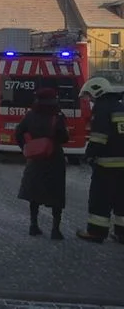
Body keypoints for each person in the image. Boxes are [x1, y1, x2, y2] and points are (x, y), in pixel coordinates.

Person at [14, 87, 69, 240]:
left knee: (34, 193)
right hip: (54, 159)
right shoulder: (57, 117)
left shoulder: (30, 116)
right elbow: (64, 137)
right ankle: (55, 230)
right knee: (56, 194)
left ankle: (33, 225)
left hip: (35, 160)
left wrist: (27, 148)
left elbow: (18, 133)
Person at [75, 77, 124, 244]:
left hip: (107, 165)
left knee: (100, 199)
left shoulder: (102, 109)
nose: (90, 100)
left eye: (90, 96)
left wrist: (88, 155)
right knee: (122, 199)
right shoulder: (120, 106)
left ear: (97, 91)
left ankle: (96, 232)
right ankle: (122, 234)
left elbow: (99, 138)